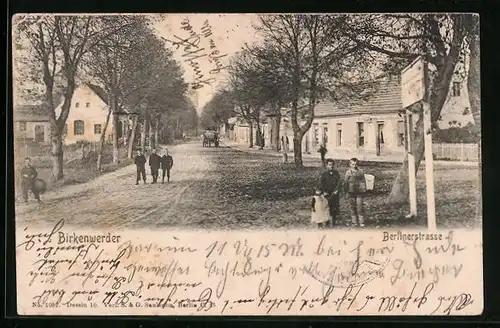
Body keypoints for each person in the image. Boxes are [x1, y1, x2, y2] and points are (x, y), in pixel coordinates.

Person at [344, 158, 367, 227]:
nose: (354, 165)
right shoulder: (348, 172)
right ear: (350, 165)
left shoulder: (361, 172)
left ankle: (361, 222)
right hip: (351, 192)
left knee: (360, 206)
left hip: (359, 192)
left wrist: (364, 190)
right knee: (352, 207)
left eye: (356, 164)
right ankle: (354, 222)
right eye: (353, 164)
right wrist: (346, 192)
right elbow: (345, 183)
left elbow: (363, 181)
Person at [319, 158, 341, 227]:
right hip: (327, 193)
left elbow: (339, 182)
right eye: (329, 165)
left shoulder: (336, 173)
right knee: (326, 207)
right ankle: (326, 221)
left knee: (334, 207)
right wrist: (324, 191)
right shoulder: (324, 174)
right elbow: (321, 184)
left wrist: (337, 190)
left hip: (334, 193)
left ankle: (334, 221)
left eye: (332, 165)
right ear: (326, 166)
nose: (331, 166)